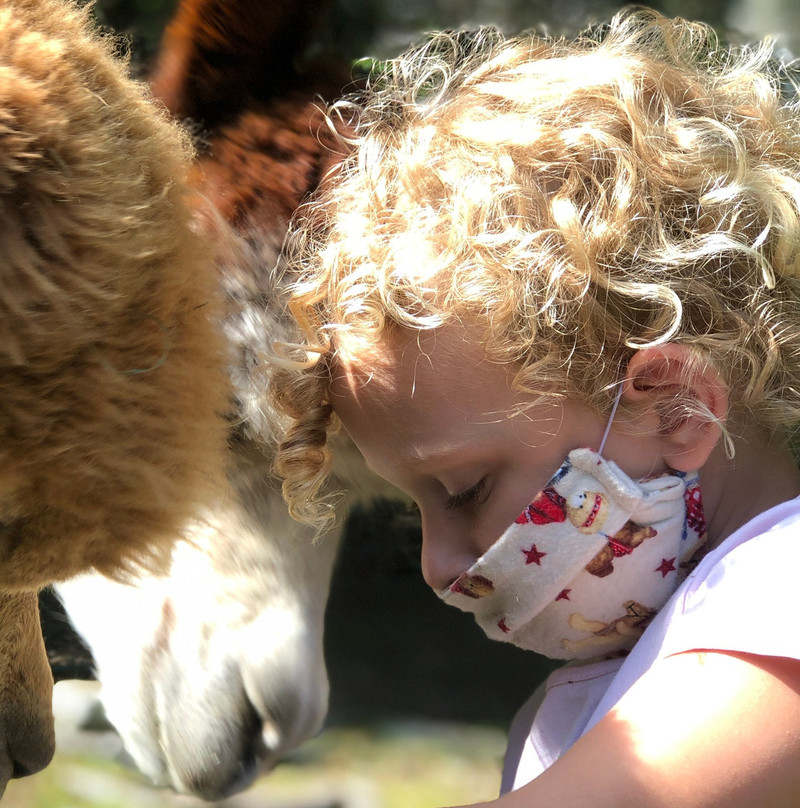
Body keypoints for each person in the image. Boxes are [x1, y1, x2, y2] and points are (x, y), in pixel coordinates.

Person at [270, 9, 800, 807]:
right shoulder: (608, 679)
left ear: (680, 405)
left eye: (467, 490)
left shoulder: (779, 596)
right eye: (419, 513)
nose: (441, 568)